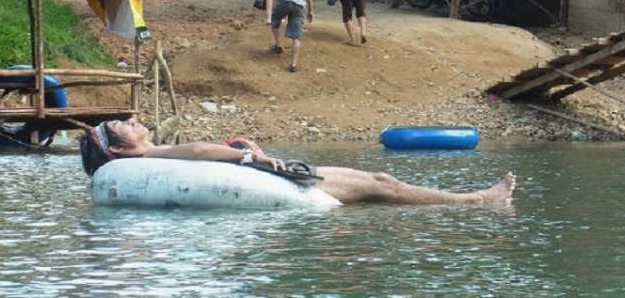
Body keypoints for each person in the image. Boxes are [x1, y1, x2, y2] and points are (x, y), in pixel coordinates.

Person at [79, 120, 516, 206]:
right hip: (267, 177)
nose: (132, 120)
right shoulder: (151, 156)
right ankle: (476, 201)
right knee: (383, 184)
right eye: (122, 124)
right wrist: (250, 154)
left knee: (380, 185)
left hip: (262, 177)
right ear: (117, 149)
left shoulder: (138, 163)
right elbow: (196, 152)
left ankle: (472, 199)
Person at [268, 0, 314, 73]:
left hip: (285, 0)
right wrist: (310, 11)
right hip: (299, 4)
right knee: (297, 36)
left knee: (275, 19)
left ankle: (278, 45)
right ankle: (294, 64)